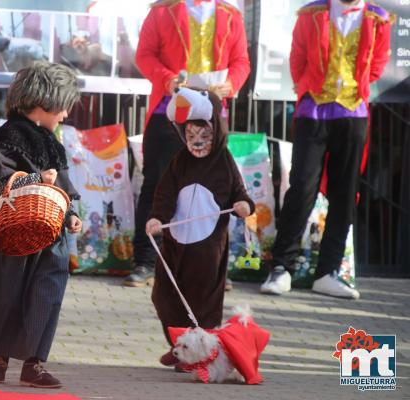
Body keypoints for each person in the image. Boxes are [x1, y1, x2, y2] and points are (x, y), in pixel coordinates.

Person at [0, 62, 82, 388]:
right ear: (43, 102)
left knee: (46, 295)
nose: (66, 115)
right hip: (14, 232)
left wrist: (70, 214)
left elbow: (64, 187)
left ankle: (34, 363)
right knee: (7, 294)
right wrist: (34, 179)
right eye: (64, 107)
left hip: (50, 235)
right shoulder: (8, 136)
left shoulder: (53, 142)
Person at [260, 0, 392, 299]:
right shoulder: (312, 13)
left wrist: (352, 88)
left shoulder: (378, 19)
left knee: (345, 192)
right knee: (302, 187)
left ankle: (328, 271)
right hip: (313, 110)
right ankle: (281, 267)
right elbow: (298, 58)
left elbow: (377, 64)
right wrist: (308, 86)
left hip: (353, 111)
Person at [124, 0, 251, 288]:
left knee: (212, 188)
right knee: (156, 183)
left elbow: (241, 61)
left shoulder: (231, 16)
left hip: (212, 112)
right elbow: (145, 55)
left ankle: (210, 265)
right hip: (168, 110)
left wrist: (230, 84)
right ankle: (145, 261)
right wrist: (168, 80)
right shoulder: (161, 11)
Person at [146, 88, 254, 368]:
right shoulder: (179, 161)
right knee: (164, 295)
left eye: (203, 136)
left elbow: (240, 193)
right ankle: (180, 345)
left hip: (208, 246)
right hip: (174, 241)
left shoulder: (225, 161)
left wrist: (244, 205)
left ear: (215, 131)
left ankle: (200, 355)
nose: (197, 143)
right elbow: (165, 193)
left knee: (202, 301)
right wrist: (157, 217)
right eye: (190, 136)